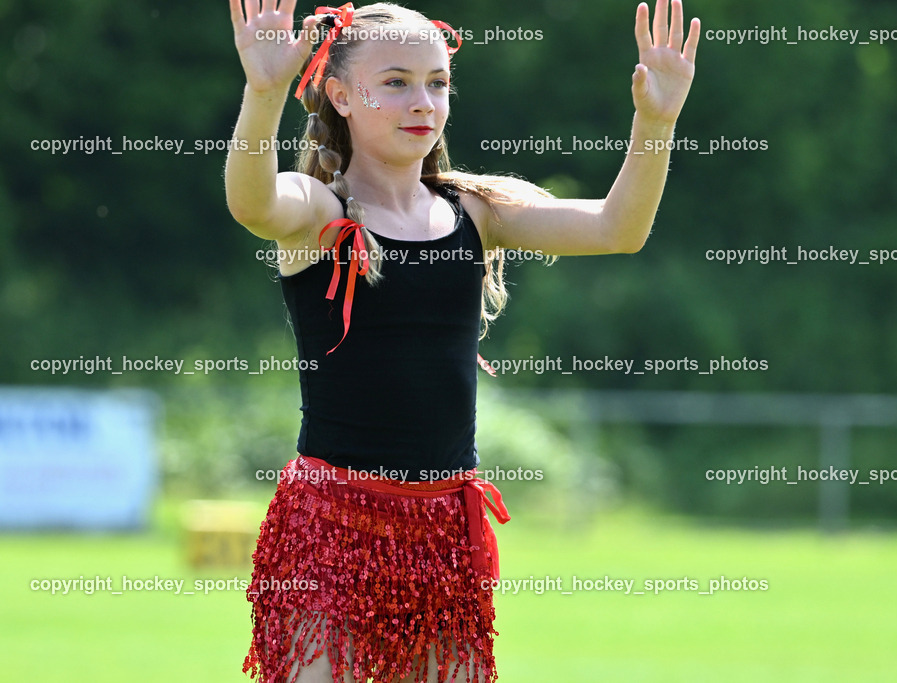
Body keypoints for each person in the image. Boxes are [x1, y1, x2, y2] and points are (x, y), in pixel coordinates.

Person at [224, 1, 699, 681]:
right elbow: (253, 203)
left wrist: (655, 124)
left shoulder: (473, 209)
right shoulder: (322, 210)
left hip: (444, 532)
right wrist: (264, 93)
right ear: (341, 95)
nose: (423, 101)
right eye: (395, 82)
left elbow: (616, 229)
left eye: (438, 83)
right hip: (331, 526)